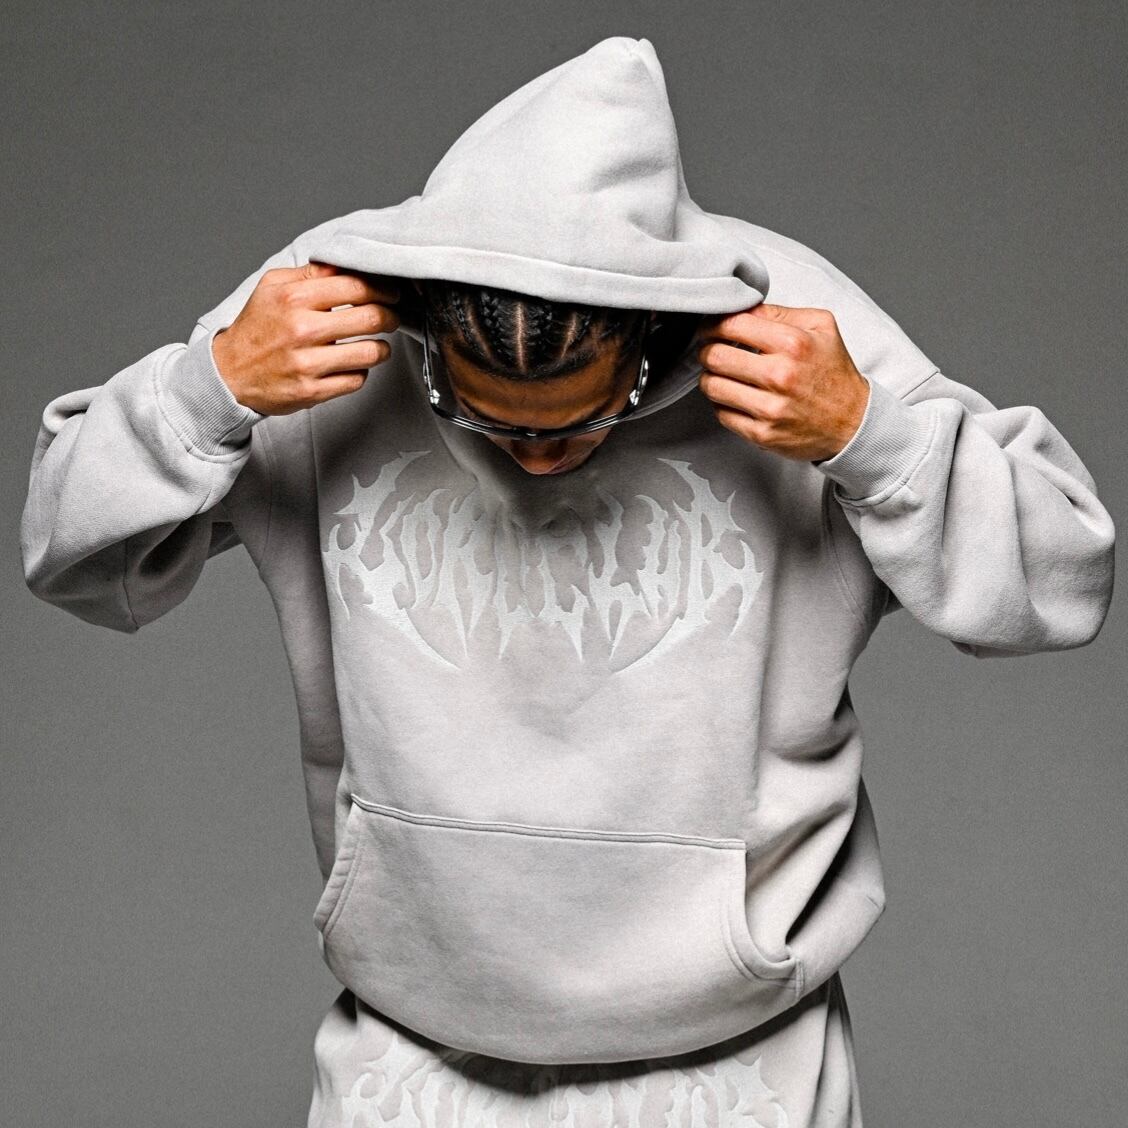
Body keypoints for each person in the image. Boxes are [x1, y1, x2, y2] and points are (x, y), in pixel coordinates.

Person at [20, 35, 1114, 1128]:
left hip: (743, 1071)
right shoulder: (324, 325)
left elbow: (1063, 586)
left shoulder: (793, 332)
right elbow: (71, 561)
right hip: (408, 1061)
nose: (537, 460)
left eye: (589, 417)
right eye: (486, 420)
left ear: (656, 339)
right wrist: (203, 396)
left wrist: (872, 439)